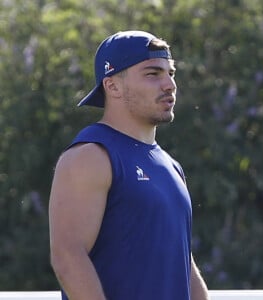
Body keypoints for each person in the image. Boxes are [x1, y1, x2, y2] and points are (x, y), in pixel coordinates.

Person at [49, 30, 209, 300]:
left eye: (170, 73)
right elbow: (67, 257)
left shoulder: (171, 166)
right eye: (152, 74)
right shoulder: (90, 155)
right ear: (112, 86)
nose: (169, 84)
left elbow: (182, 262)